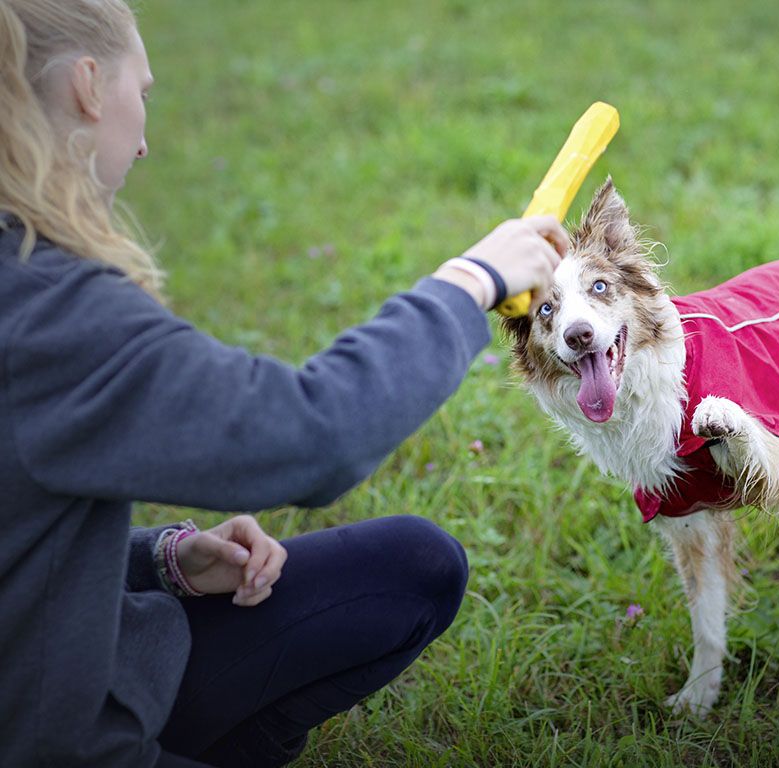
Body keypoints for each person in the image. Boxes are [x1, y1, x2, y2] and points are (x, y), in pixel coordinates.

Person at [0, 1, 569, 766]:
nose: (142, 144)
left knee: (414, 566)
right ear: (88, 88)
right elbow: (313, 437)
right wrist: (470, 282)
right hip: (54, 735)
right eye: (145, 94)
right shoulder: (51, 312)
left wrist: (161, 559)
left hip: (74, 662)